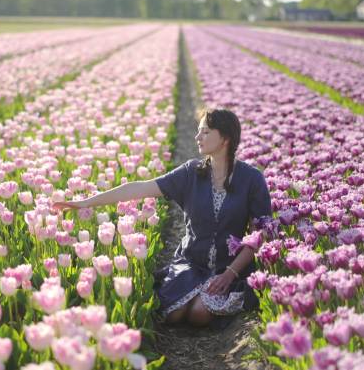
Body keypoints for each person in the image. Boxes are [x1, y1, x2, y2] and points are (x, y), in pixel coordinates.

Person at [52, 108, 272, 327]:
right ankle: (194, 293)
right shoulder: (192, 173)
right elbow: (140, 188)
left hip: (229, 267)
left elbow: (258, 235)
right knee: (173, 315)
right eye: (198, 131)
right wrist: (86, 202)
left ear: (225, 137)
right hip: (192, 263)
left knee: (198, 315)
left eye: (205, 132)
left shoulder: (251, 179)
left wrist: (231, 273)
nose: (197, 137)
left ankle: (203, 300)